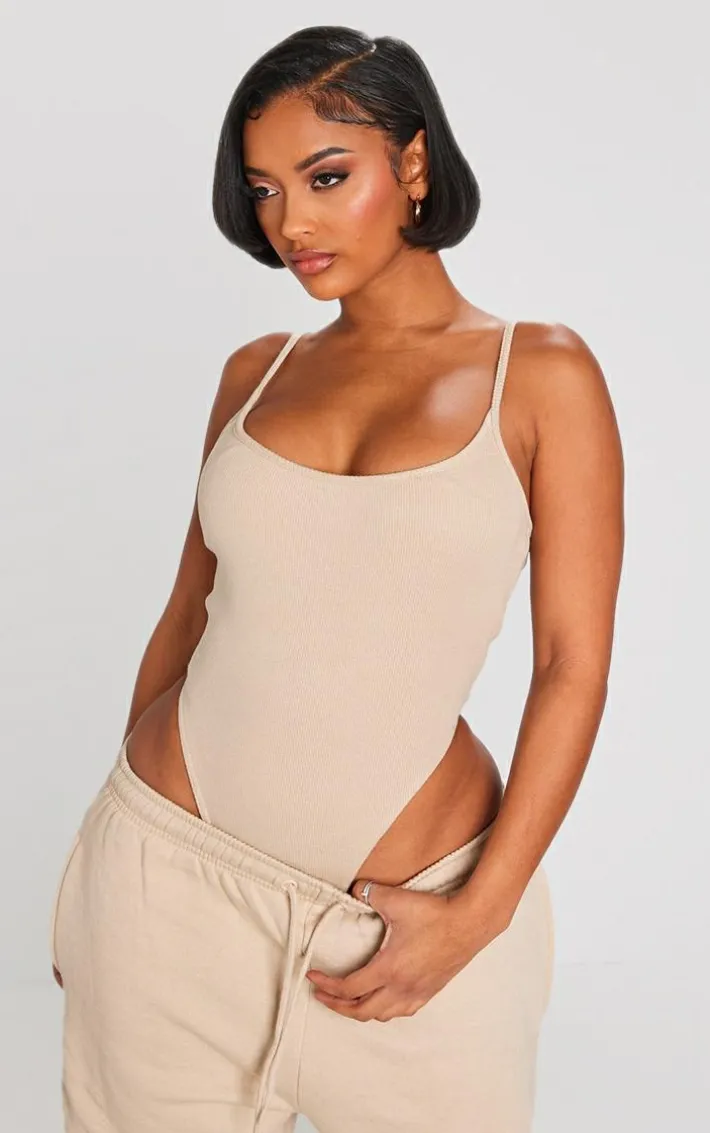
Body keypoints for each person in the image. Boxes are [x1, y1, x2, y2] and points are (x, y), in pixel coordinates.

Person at [49, 24, 624, 1133]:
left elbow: (571, 666)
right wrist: (102, 863)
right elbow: (187, 616)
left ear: (412, 163)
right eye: (264, 190)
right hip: (163, 892)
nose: (291, 224)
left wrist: (479, 914)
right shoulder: (255, 373)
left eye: (324, 177)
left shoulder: (540, 374)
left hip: (409, 922)